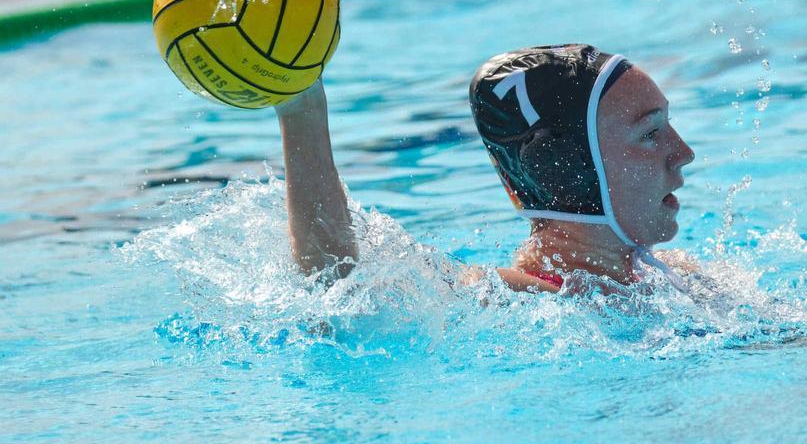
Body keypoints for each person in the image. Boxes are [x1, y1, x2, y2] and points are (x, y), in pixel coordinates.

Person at [274, 44, 696, 293]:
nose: (683, 152)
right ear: (568, 170)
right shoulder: (509, 299)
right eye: (649, 133)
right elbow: (338, 285)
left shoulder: (682, 278)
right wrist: (301, 110)